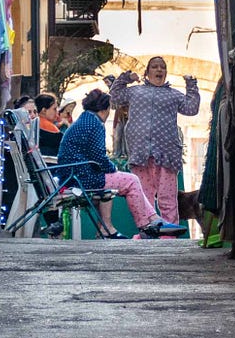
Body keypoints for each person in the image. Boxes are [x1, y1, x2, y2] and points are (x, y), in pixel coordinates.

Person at [56, 89, 187, 239]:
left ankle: (154, 220)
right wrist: (113, 168)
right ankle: (147, 225)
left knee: (123, 180)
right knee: (131, 180)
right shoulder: (95, 124)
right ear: (105, 109)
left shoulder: (84, 120)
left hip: (73, 175)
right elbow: (99, 156)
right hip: (81, 178)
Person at [109, 56, 199, 225]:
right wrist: (126, 78)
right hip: (140, 152)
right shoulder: (135, 91)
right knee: (143, 196)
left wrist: (191, 85)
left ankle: (169, 233)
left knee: (167, 196)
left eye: (162, 67)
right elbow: (115, 97)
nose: (159, 70)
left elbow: (191, 108)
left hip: (167, 153)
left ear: (165, 72)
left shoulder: (173, 95)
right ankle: (147, 230)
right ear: (147, 72)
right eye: (155, 67)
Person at [34, 93, 64, 158]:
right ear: (44, 110)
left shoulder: (35, 124)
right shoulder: (49, 127)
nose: (57, 112)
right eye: (54, 109)